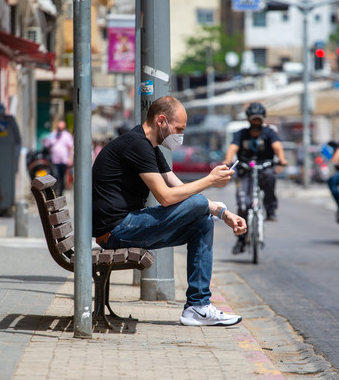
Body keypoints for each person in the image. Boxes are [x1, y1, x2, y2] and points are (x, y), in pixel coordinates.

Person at [92, 96, 247, 327]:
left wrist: (224, 213)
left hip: (127, 226)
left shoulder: (151, 148)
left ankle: (198, 307)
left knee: (202, 223)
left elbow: (180, 188)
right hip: (115, 231)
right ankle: (198, 306)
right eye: (179, 129)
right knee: (197, 206)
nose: (180, 136)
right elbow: (166, 197)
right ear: (161, 121)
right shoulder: (137, 144)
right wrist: (209, 180)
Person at [222, 102, 287, 255]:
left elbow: (277, 146)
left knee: (271, 176)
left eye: (259, 119)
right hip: (245, 170)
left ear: (263, 119)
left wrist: (282, 159)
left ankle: (270, 209)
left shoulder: (269, 133)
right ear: (249, 119)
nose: (256, 122)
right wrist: (227, 159)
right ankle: (240, 240)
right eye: (253, 119)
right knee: (243, 205)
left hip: (265, 168)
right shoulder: (241, 134)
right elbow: (233, 148)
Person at [43, 120, 74, 196]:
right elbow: (46, 145)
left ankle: (61, 192)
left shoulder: (67, 136)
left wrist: (70, 159)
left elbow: (71, 148)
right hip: (54, 160)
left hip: (64, 161)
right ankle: (55, 192)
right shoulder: (52, 135)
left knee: (62, 177)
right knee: (56, 176)